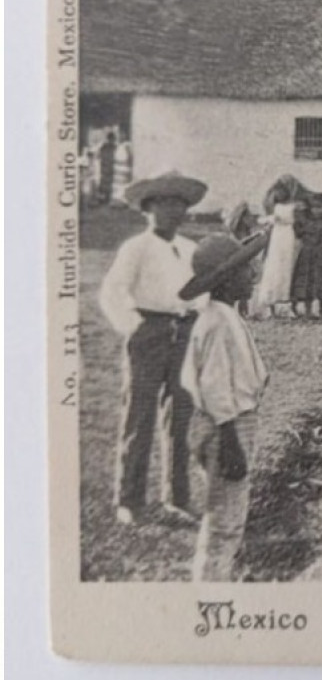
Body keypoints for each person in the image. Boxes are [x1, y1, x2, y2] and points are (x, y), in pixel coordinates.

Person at [98, 170, 209, 525]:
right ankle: (129, 500)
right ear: (148, 209)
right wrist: (134, 326)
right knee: (139, 415)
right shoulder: (137, 248)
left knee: (180, 418)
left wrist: (198, 320)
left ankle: (177, 496)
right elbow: (112, 292)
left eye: (179, 203)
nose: (172, 210)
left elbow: (201, 291)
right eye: (164, 204)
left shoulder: (191, 249)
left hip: (184, 333)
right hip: (150, 333)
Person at [176, 232, 270, 582]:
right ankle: (211, 586)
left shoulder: (224, 314)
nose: (254, 276)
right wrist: (229, 440)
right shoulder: (216, 323)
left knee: (230, 502)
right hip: (224, 425)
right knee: (224, 516)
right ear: (227, 280)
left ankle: (222, 571)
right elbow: (214, 388)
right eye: (247, 271)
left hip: (232, 420)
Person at [251, 176, 305, 317]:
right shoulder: (276, 207)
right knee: (275, 267)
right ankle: (271, 306)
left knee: (289, 267)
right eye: (276, 192)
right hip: (277, 237)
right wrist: (267, 220)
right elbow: (269, 220)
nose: (278, 195)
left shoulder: (295, 206)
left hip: (289, 236)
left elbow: (299, 221)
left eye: (281, 192)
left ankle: (290, 305)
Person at [97, 131, 117, 206]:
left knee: (108, 183)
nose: (112, 140)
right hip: (106, 167)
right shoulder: (105, 147)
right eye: (111, 139)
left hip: (109, 167)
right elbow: (100, 156)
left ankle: (106, 198)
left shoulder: (112, 147)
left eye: (113, 139)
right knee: (105, 183)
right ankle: (102, 199)